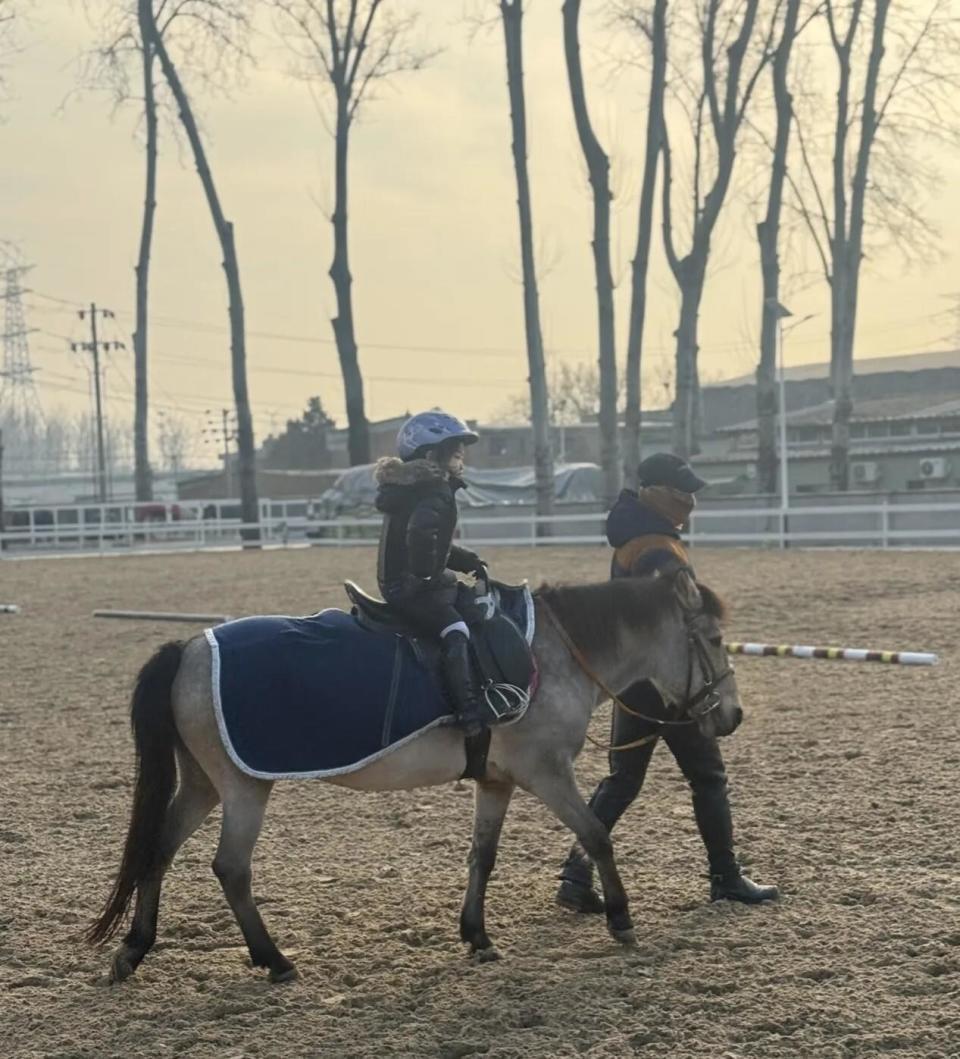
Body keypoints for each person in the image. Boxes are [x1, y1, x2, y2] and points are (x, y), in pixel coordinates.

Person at [556, 452, 779, 910]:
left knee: (621, 782)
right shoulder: (657, 548)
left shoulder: (636, 539)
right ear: (659, 492)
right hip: (670, 683)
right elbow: (671, 617)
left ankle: (576, 877)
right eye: (683, 491)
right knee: (708, 777)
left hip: (635, 681)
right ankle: (726, 877)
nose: (690, 500)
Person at [375, 410, 488, 738]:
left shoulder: (414, 488)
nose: (460, 451)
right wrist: (427, 577)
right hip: (409, 587)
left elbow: (433, 543)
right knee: (457, 631)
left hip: (399, 581)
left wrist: (467, 562)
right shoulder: (434, 489)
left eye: (460, 445)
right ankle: (468, 712)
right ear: (429, 454)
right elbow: (421, 536)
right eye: (453, 446)